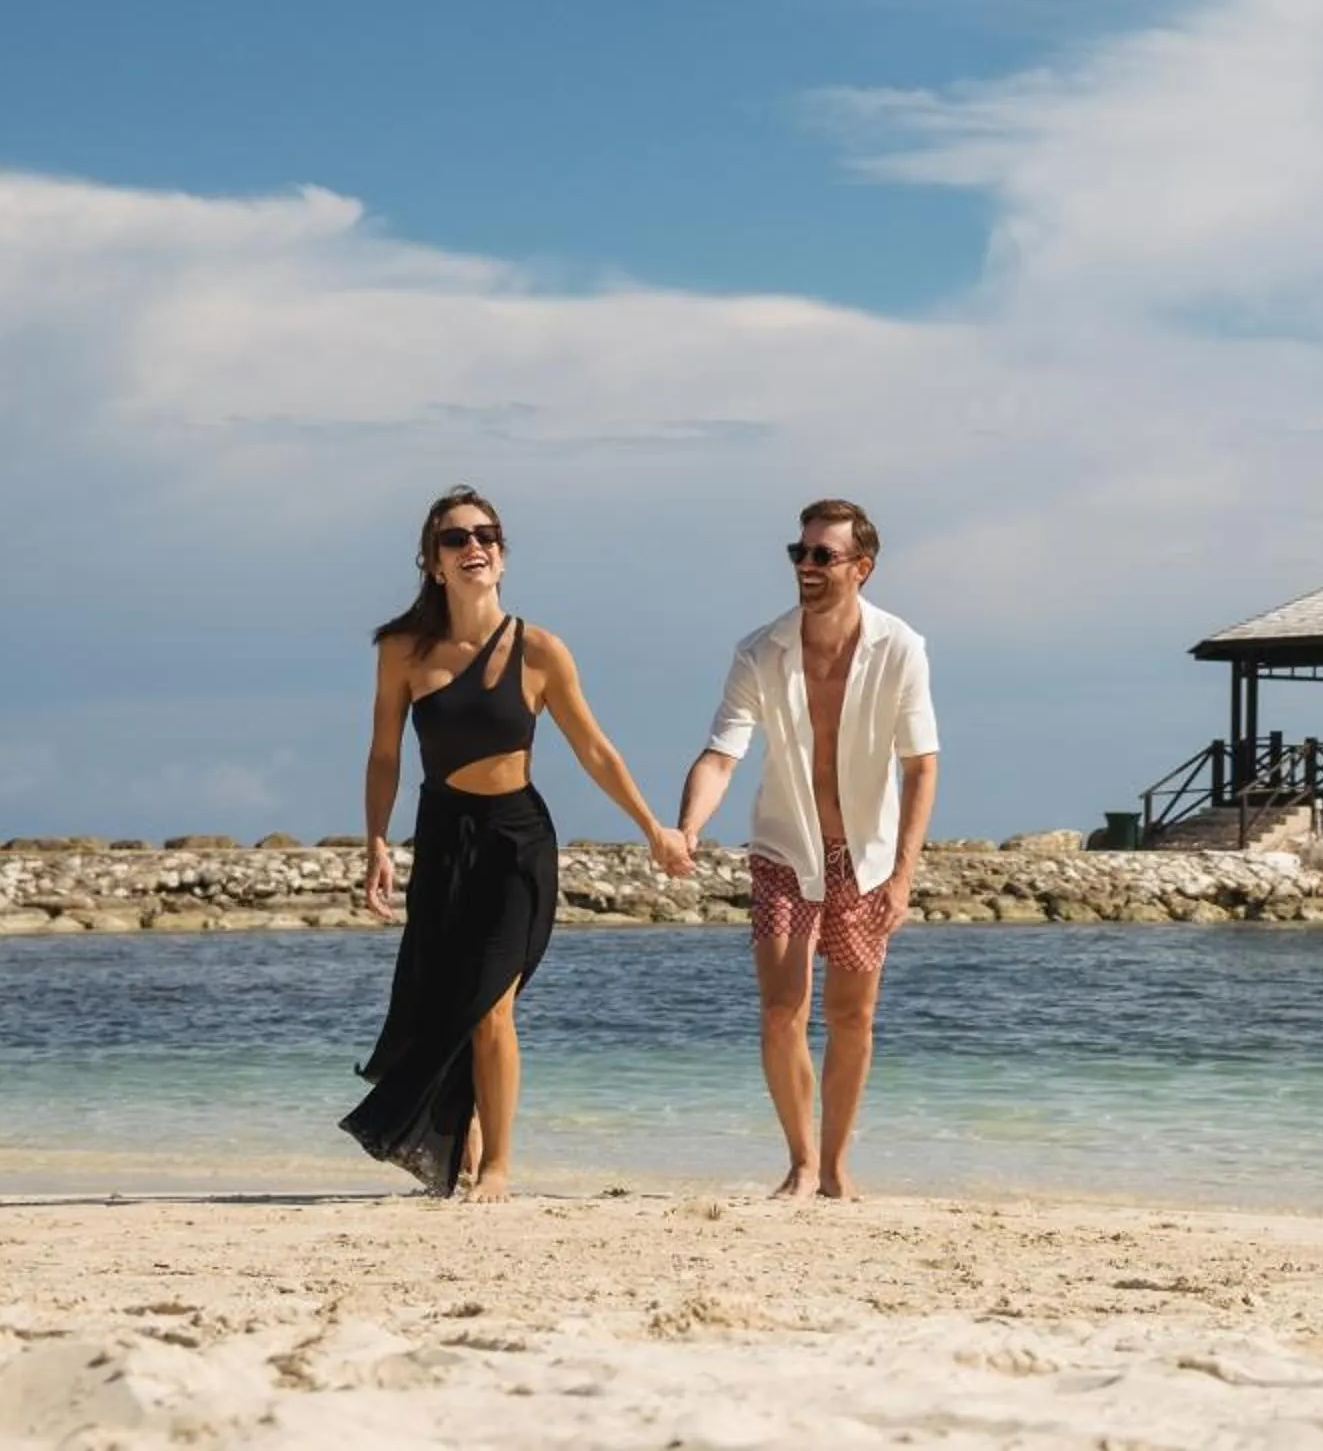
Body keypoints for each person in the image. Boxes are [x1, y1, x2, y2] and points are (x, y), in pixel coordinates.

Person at [342, 485, 691, 1201]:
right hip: (442, 837)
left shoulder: (539, 651)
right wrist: (377, 841)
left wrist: (652, 826)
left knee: (492, 1005)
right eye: (456, 539)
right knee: (445, 1004)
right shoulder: (403, 650)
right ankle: (461, 1155)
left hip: (517, 843)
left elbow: (595, 750)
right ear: (432, 562)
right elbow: (384, 754)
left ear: (502, 555)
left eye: (487, 536)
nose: (475, 547)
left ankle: (498, 1166)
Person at [676, 498, 939, 1200]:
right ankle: (800, 1161)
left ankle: (837, 1166)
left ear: (862, 568)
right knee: (780, 1009)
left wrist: (903, 877)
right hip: (785, 849)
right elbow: (721, 753)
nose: (808, 567)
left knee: (853, 1015)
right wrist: (691, 826)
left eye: (824, 555)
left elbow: (921, 765)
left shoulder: (900, 648)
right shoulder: (761, 651)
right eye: (800, 553)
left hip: (868, 856)